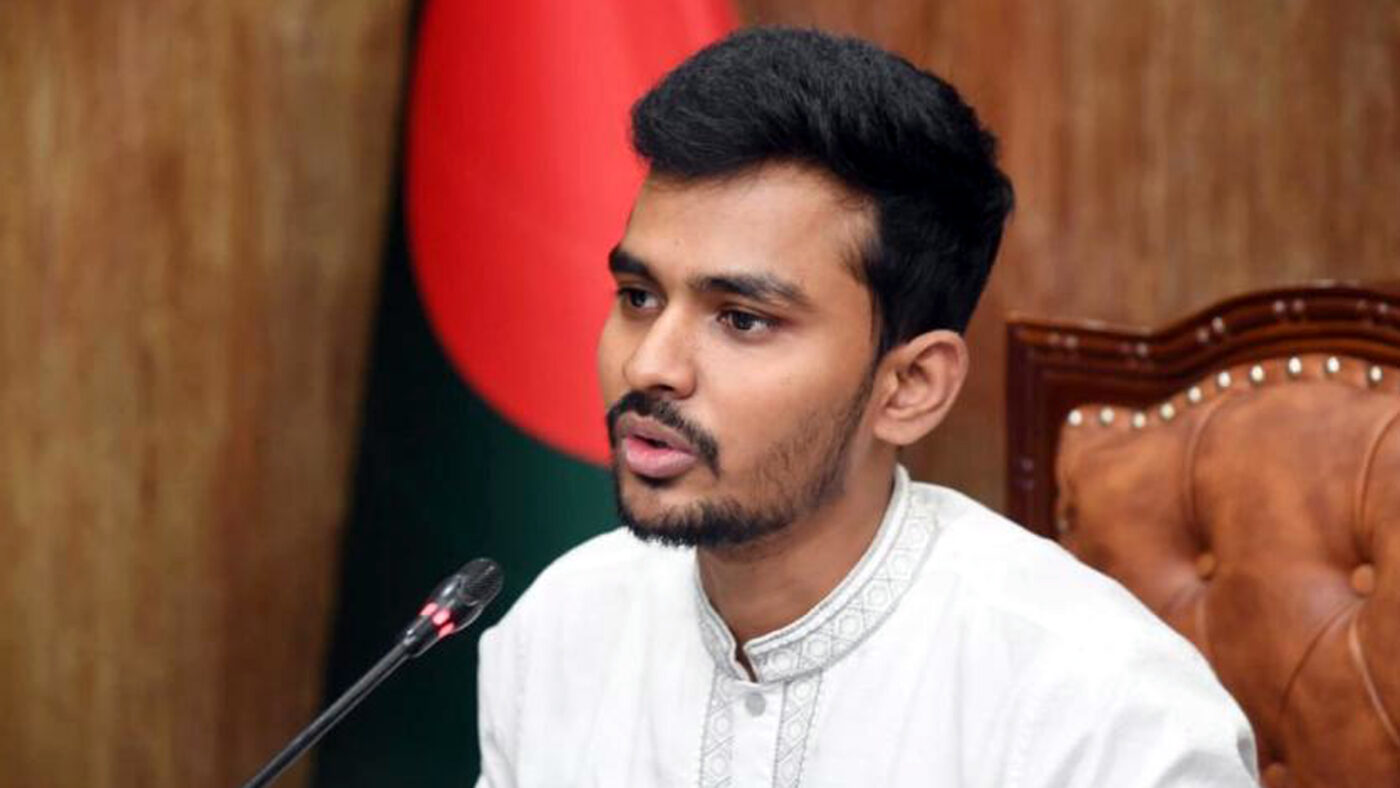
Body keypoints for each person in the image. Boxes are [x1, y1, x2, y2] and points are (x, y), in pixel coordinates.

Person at [475, 27, 1257, 787]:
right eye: (639, 297)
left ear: (910, 387)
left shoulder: (1105, 714)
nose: (648, 365)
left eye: (741, 319)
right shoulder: (555, 636)